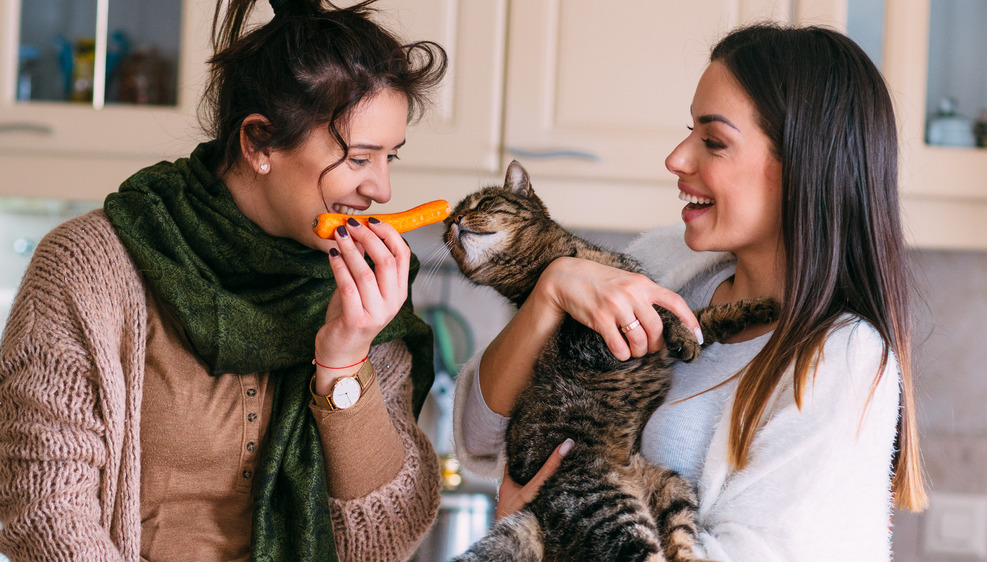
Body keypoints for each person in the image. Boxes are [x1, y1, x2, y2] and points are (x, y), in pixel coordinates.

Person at [453, 23, 927, 561]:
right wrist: (549, 292)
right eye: (689, 132)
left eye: (714, 141)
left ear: (803, 166)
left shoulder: (841, 358)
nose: (676, 159)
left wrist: (545, 534)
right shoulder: (664, 267)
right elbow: (481, 435)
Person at [0, 0, 446, 560]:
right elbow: (43, 513)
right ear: (258, 142)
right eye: (358, 158)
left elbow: (383, 538)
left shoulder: (361, 293)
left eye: (390, 159)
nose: (380, 190)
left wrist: (345, 360)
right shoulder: (87, 268)